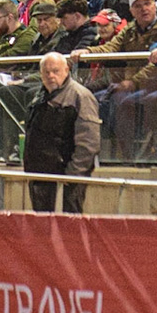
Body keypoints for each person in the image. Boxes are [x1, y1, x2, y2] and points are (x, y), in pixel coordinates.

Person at [23, 51, 101, 213]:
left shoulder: (81, 96)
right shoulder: (37, 96)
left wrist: (74, 173)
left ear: (66, 70)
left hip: (69, 174)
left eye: (56, 71)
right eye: (46, 72)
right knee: (41, 226)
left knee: (70, 226)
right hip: (40, 172)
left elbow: (89, 141)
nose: (51, 76)